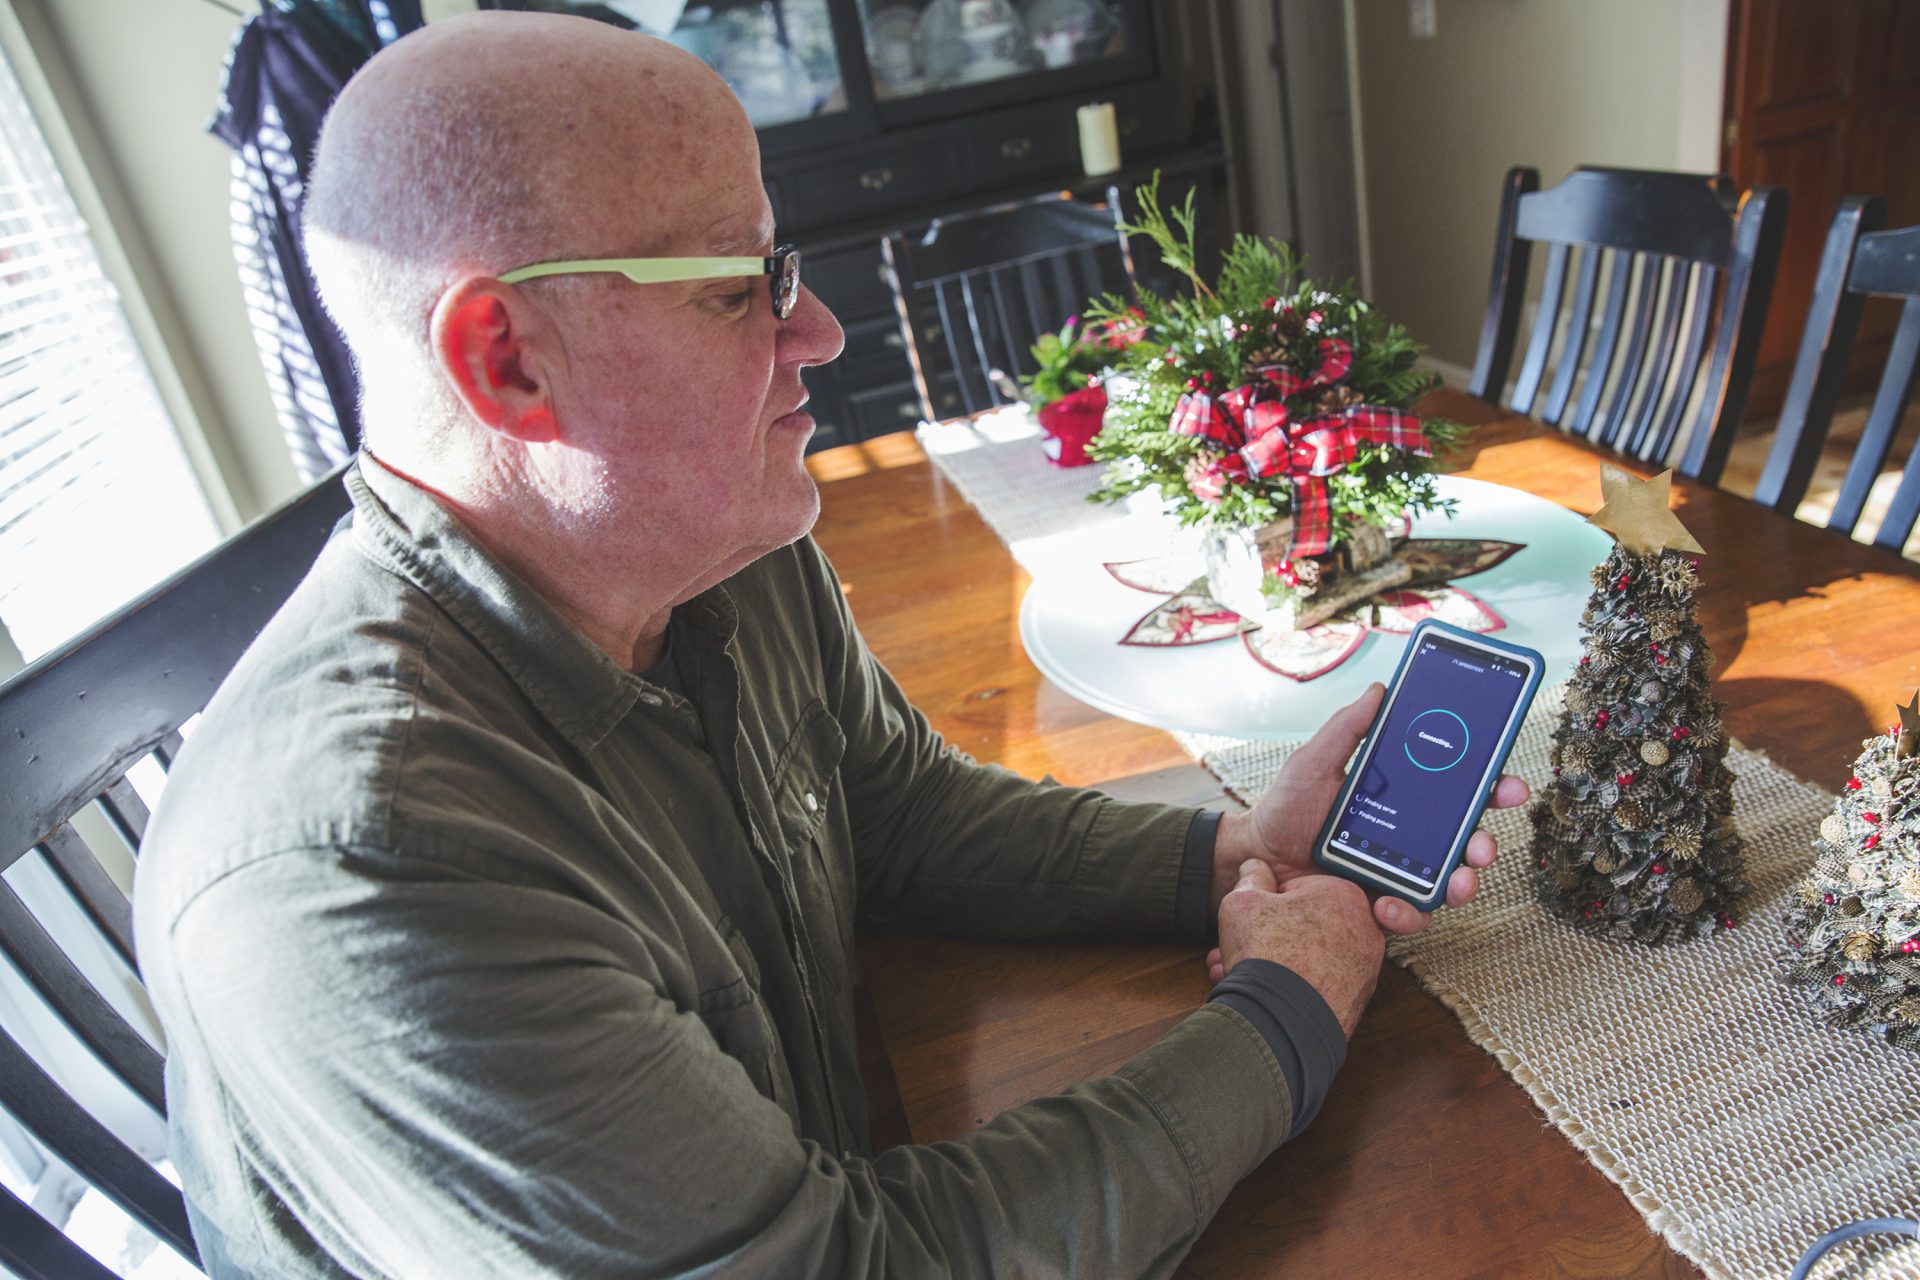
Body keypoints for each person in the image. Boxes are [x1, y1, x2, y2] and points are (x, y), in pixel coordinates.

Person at [133, 12, 1524, 1278]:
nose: (819, 328)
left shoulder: (720, 547)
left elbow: (899, 813)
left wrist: (1226, 855)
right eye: (734, 289)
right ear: (507, 362)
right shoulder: (368, 874)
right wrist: (1286, 1008)